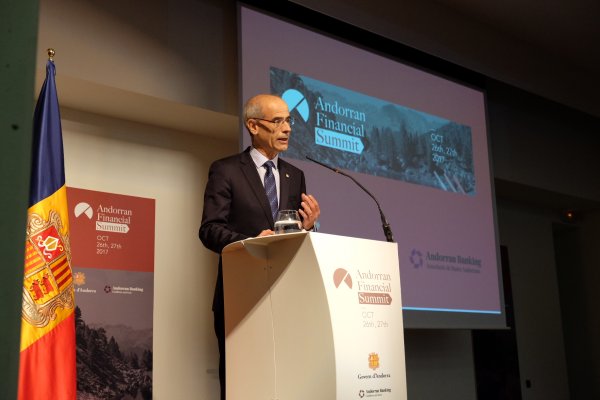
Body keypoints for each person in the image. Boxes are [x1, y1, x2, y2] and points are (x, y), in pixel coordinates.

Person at [199, 94, 320, 400]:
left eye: (288, 120)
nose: (287, 128)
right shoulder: (226, 170)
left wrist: (308, 228)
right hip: (241, 297)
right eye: (277, 121)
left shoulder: (296, 175)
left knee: (286, 383)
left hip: (286, 296)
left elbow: (291, 237)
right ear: (253, 126)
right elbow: (210, 230)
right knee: (243, 383)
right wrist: (251, 242)